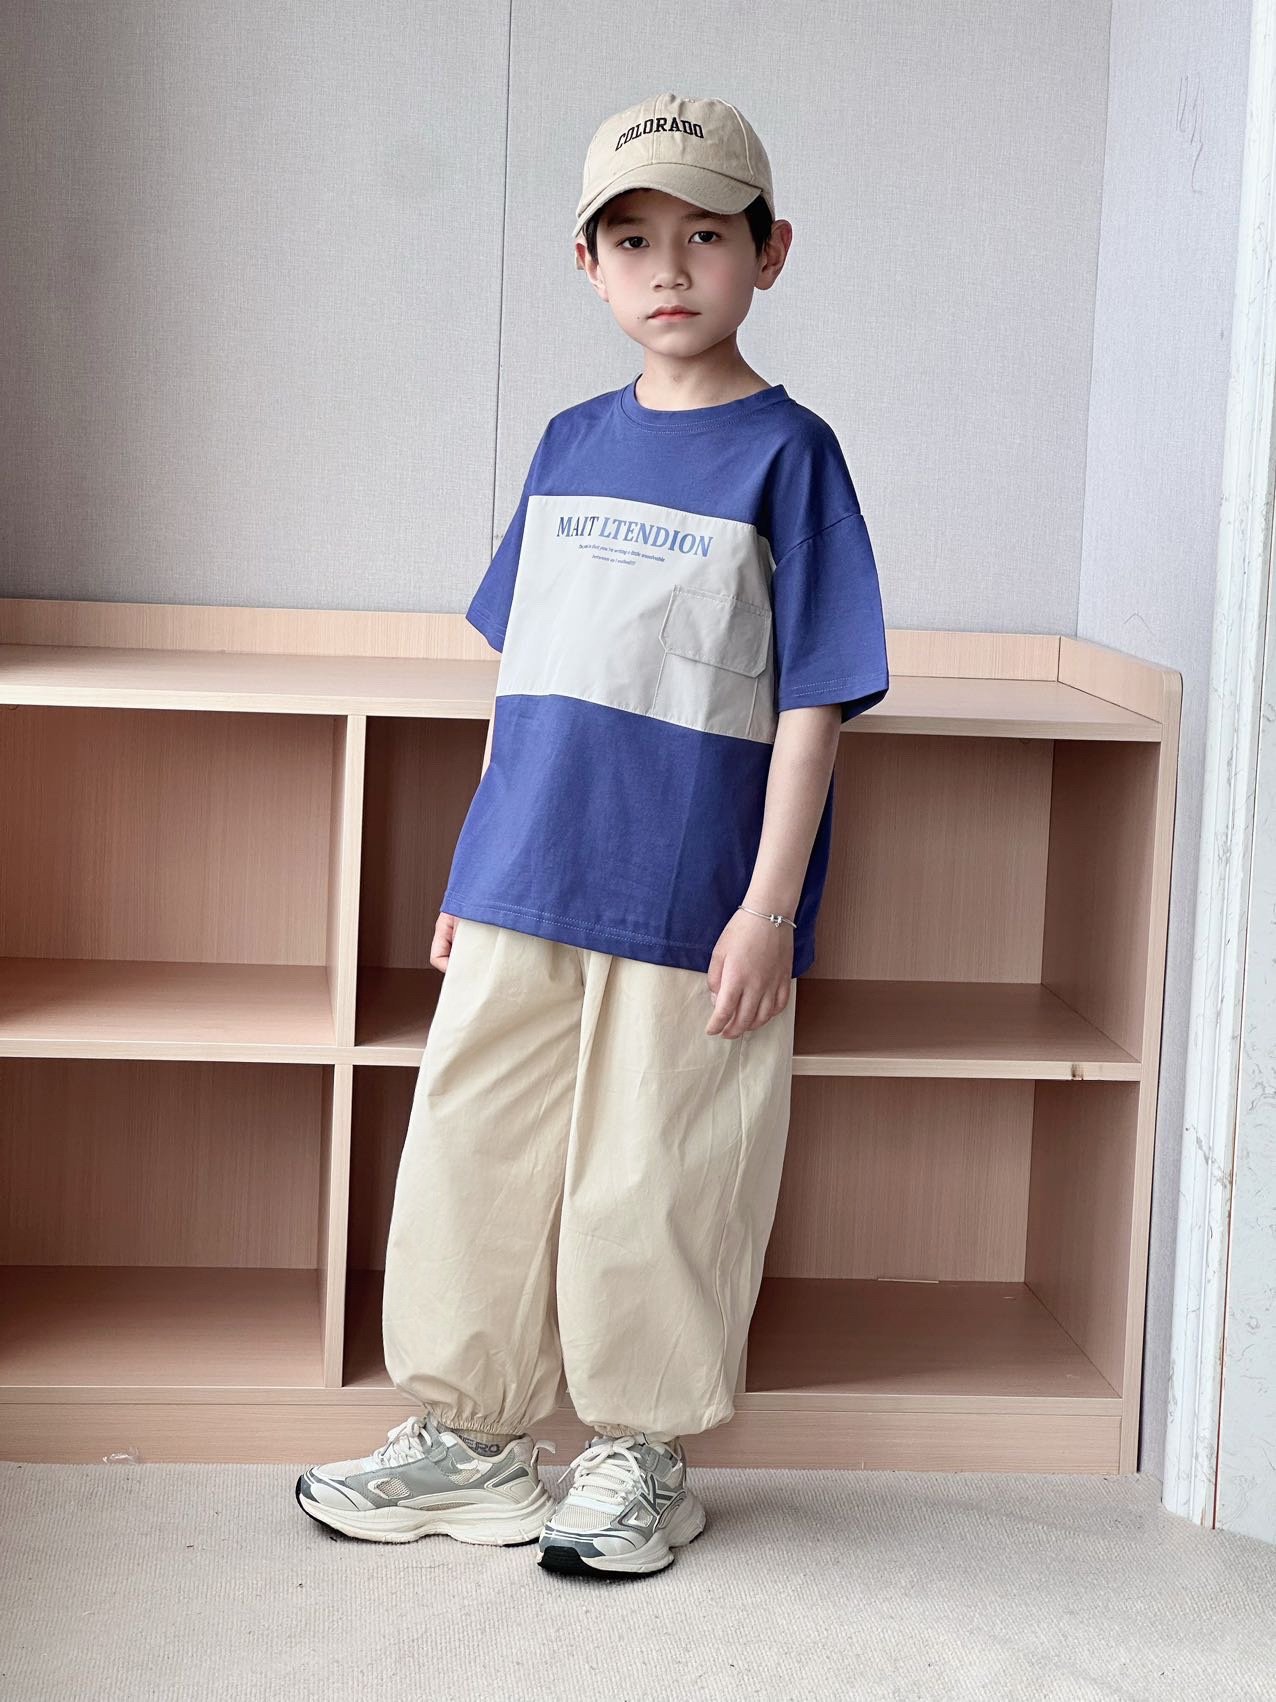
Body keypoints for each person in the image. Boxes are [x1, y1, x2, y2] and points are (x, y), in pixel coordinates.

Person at [296, 91, 890, 1581]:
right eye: (632, 240)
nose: (668, 269)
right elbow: (525, 681)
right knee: (472, 1148)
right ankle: (474, 1441)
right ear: (588, 265)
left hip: (692, 899)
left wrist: (769, 910)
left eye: (705, 235)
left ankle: (641, 1455)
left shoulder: (791, 457)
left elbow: (815, 698)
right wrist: (470, 865)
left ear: (771, 252)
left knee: (656, 1173)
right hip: (525, 876)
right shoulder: (568, 443)